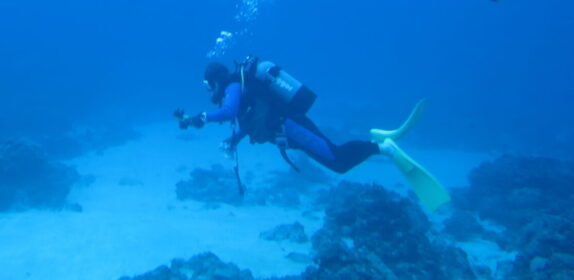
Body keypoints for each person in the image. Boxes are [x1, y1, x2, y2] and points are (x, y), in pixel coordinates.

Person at [175, 56, 449, 211]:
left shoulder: (234, 84)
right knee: (335, 158)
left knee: (337, 160)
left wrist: (201, 117)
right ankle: (379, 145)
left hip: (292, 127)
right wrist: (233, 139)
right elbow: (251, 122)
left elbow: (228, 111)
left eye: (207, 85)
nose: (209, 91)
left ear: (214, 80)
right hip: (289, 130)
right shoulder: (243, 88)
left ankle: (384, 147)